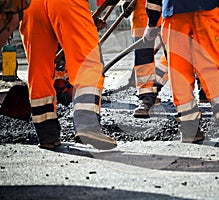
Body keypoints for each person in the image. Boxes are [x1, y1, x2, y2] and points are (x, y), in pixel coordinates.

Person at [143, 0, 219, 143]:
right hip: (206, 8)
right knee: (214, 65)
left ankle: (189, 126)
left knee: (179, 72)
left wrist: (152, 23)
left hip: (173, 13)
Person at [19, 0, 117, 150]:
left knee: (39, 68)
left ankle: (47, 132)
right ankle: (87, 124)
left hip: (29, 7)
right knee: (87, 61)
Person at [128, 0, 168, 118]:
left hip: (170, 7)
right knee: (143, 55)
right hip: (141, 8)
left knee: (175, 54)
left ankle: (154, 86)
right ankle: (146, 98)